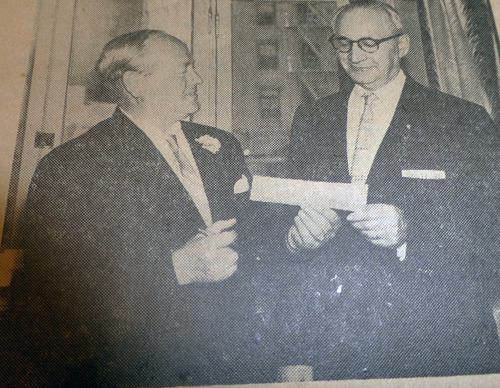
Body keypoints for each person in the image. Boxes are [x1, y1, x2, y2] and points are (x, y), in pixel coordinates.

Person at [3, 30, 276, 387]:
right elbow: (55, 294)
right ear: (135, 83)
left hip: (233, 359)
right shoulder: (73, 165)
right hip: (138, 368)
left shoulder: (221, 145)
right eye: (184, 69)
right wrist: (176, 268)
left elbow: (253, 245)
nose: (197, 79)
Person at [281, 0, 500, 380]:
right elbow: (286, 234)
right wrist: (295, 238)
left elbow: (491, 226)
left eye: (369, 42)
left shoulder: (462, 119)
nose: (354, 55)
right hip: (339, 341)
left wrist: (410, 230)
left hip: (435, 337)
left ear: (402, 46)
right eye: (343, 43)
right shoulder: (312, 118)